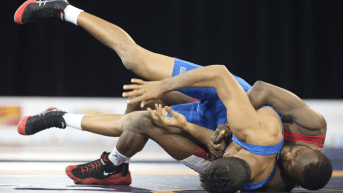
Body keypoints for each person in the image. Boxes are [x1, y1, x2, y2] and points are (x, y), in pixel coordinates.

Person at [14, 0, 332, 191]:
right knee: (136, 62)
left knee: (140, 118)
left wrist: (202, 132)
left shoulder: (269, 174)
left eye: (287, 161)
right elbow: (261, 90)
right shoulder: (309, 126)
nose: (287, 152)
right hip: (234, 101)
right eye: (294, 151)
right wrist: (164, 87)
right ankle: (63, 9)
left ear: (295, 179)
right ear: (315, 151)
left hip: (223, 132)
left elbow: (222, 154)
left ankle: (106, 156)